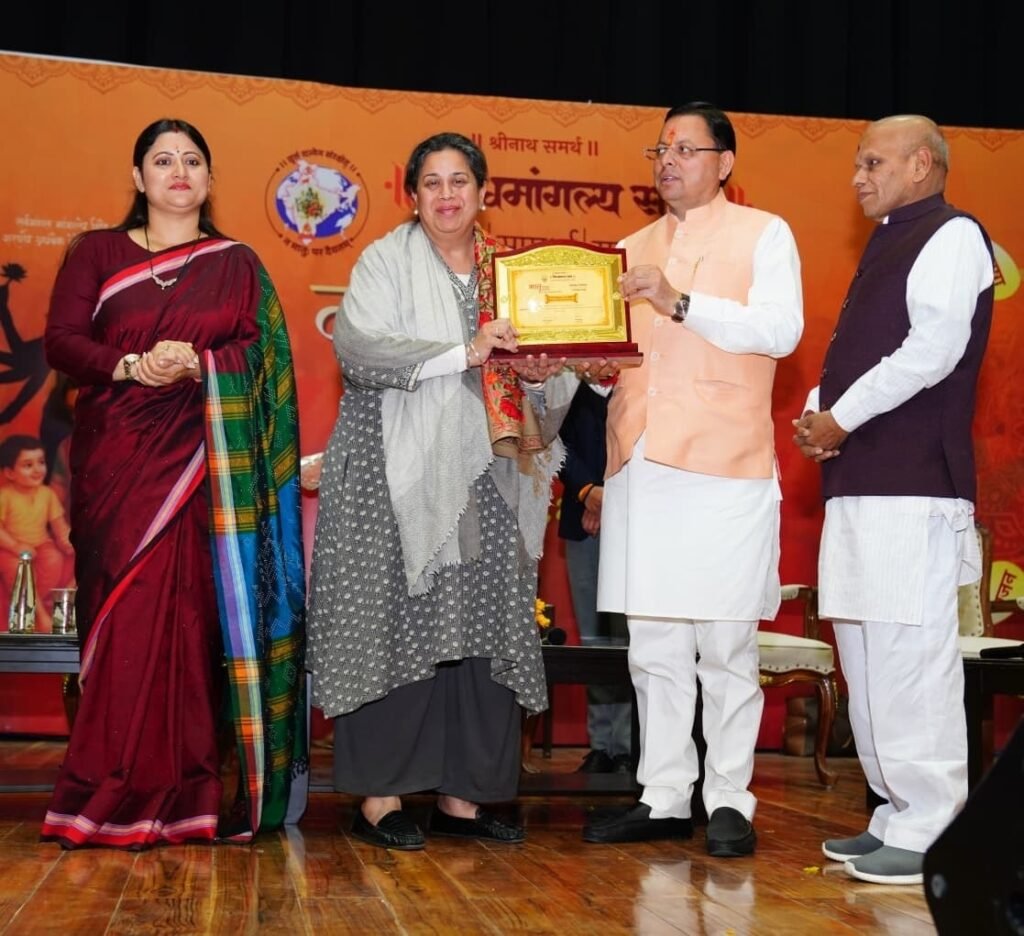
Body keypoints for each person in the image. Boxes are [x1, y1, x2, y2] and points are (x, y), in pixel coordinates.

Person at [40, 118, 307, 849]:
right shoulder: (96, 252)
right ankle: (103, 790)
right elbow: (62, 341)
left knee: (191, 626)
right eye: (162, 161)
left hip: (203, 466)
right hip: (117, 466)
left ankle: (189, 795)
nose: (178, 172)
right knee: (122, 620)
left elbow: (262, 357)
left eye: (192, 160)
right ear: (138, 177)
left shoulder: (236, 263)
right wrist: (132, 365)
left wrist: (200, 364)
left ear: (210, 180)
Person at [306, 131, 576, 851]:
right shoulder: (384, 261)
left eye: (460, 181)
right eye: (432, 182)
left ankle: (466, 796)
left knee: (480, 625)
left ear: (484, 193)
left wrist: (542, 372)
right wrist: (468, 351)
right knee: (395, 622)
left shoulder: (512, 275)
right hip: (393, 476)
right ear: (413, 194)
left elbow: (546, 386)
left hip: (490, 472)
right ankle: (381, 798)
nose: (447, 195)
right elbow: (359, 350)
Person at [581, 102, 803, 856]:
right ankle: (665, 795)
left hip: (724, 463)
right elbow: (620, 363)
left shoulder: (765, 233)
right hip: (642, 461)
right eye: (660, 150)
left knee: (725, 641)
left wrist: (678, 301)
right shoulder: (626, 249)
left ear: (725, 162)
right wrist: (583, 366)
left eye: (685, 148)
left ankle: (730, 797)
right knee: (654, 646)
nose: (668, 161)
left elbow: (781, 329)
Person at [793, 115, 994, 885]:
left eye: (872, 162)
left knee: (911, 658)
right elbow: (857, 356)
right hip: (860, 483)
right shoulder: (888, 239)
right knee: (866, 655)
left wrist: (840, 418)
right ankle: (892, 813)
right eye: (857, 163)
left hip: (914, 484)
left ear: (921, 165)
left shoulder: (952, 235)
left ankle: (933, 824)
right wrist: (817, 415)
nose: (857, 177)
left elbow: (932, 350)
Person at [557, 383, 632, 774]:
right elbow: (551, 439)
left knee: (634, 639)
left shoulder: (642, 376)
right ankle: (602, 745)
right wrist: (587, 491)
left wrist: (611, 500)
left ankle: (630, 747)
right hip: (582, 519)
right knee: (595, 637)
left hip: (639, 516)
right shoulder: (568, 379)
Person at [0, 434, 74, 631]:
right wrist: (15, 546)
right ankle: (40, 616)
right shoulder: (5, 496)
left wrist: (67, 540)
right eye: (28, 465)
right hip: (10, 549)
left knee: (55, 559)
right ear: (9, 473)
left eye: (41, 462)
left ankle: (34, 604)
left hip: (42, 545)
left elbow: (59, 526)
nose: (37, 469)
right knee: (19, 568)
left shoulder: (47, 494)